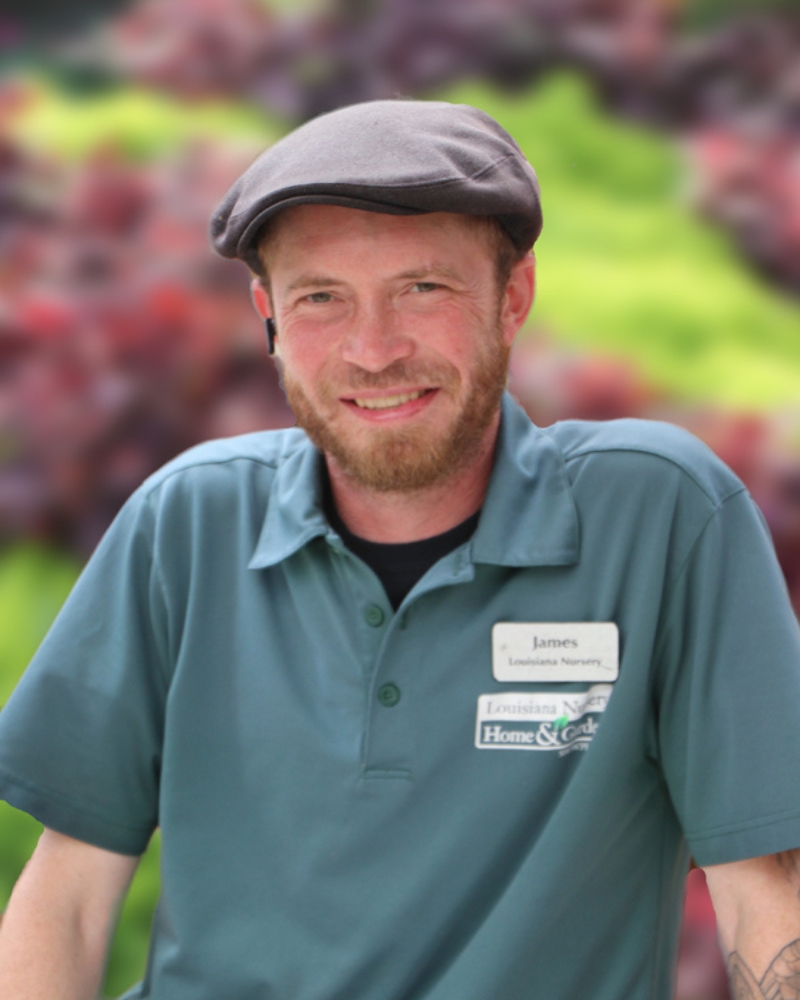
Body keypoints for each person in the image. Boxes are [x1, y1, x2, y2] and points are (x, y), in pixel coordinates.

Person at [0, 98, 799, 1000]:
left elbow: (765, 891)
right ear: (269, 317)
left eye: (423, 288)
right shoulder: (187, 522)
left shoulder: (659, 516)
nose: (374, 351)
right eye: (321, 298)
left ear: (513, 297)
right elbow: (67, 898)